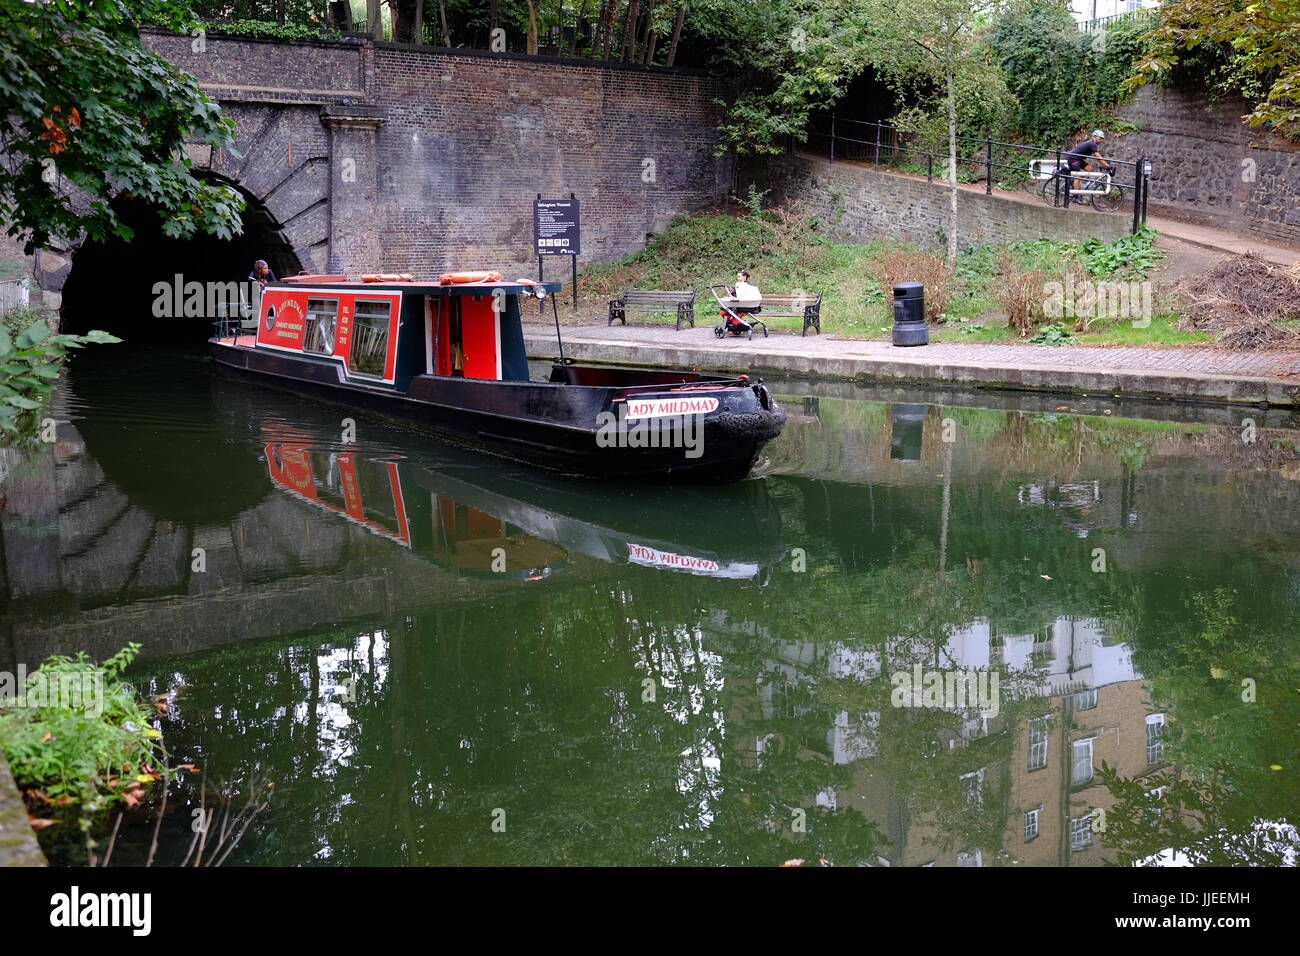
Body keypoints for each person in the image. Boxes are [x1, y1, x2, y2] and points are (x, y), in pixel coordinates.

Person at [1062, 130, 1111, 203]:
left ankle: (1076, 184)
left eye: (1102, 139)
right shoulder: (1092, 144)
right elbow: (1098, 157)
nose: (1101, 141)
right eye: (1100, 138)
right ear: (1096, 137)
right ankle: (1076, 197)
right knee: (1078, 177)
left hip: (1078, 159)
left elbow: (1098, 158)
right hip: (1073, 159)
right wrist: (1107, 166)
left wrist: (1105, 165)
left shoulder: (1092, 143)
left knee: (1090, 169)